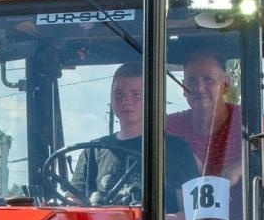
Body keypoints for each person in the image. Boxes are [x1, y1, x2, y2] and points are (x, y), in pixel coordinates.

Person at [69, 62, 200, 210]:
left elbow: (192, 218)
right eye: (119, 95)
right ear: (110, 98)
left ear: (151, 99)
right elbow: (73, 204)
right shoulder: (93, 151)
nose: (126, 101)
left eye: (136, 94)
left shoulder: (176, 149)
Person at [165, 48, 264, 177]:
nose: (199, 88)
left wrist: (240, 168)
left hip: (244, 197)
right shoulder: (171, 127)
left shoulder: (247, 119)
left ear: (225, 84)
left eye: (208, 79)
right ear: (184, 87)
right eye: (192, 81)